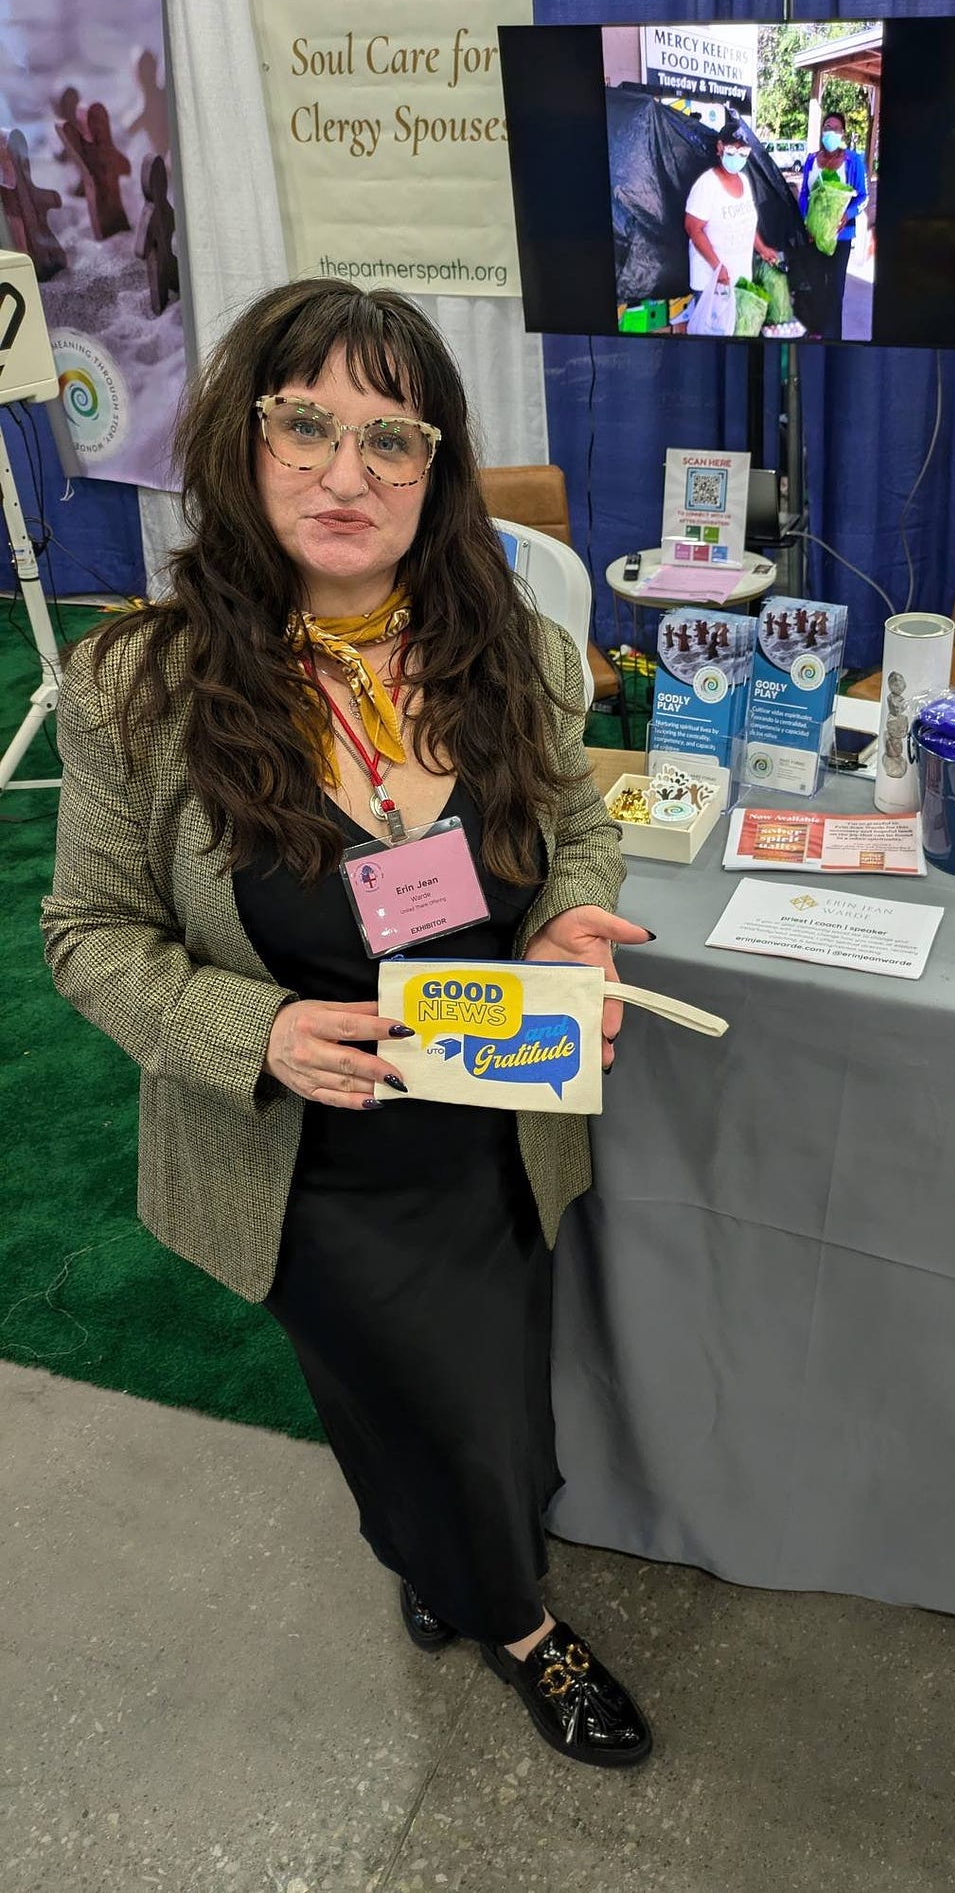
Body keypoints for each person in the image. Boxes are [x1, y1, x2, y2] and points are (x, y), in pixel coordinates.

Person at [40, 279, 655, 1770]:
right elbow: (86, 939)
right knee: (416, 1394)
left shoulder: (518, 651)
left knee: (492, 1381)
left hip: (503, 1116)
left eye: (393, 437)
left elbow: (578, 824)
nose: (345, 473)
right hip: (311, 1155)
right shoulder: (142, 687)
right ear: (241, 444)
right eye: (303, 423)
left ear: (437, 470)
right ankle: (518, 1618)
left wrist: (571, 913)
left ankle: (449, 1559)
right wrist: (254, 1032)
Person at [683, 119, 783, 331]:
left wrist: (762, 249)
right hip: (711, 282)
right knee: (711, 341)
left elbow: (746, 222)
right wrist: (718, 269)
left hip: (738, 279)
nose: (737, 155)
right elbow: (693, 228)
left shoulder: (744, 181)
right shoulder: (707, 184)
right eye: (731, 148)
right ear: (720, 147)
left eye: (743, 151)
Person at [798, 112, 868, 341]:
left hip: (841, 237)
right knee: (815, 286)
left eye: (836, 129)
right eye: (827, 127)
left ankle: (832, 338)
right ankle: (815, 332)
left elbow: (863, 197)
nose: (831, 132)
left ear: (842, 134)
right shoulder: (811, 160)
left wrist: (847, 215)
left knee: (835, 289)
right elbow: (804, 195)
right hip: (813, 236)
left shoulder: (853, 161)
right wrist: (805, 223)